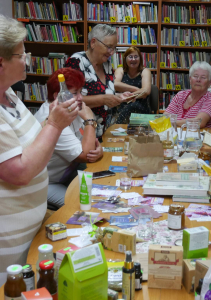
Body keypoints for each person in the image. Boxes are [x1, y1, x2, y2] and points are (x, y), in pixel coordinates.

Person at [0, 15, 79, 286]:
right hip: (5, 247)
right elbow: (18, 172)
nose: (27, 59)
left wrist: (54, 117)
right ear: (0, 61)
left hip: (28, 235)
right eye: (22, 54)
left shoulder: (9, 95)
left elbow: (34, 140)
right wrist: (55, 125)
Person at [35, 68, 103, 210]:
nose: (80, 98)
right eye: (74, 93)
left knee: (102, 195)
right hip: (48, 183)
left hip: (70, 174)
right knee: (82, 206)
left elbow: (90, 144)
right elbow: (85, 155)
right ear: (58, 96)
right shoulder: (53, 118)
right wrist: (90, 119)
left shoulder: (69, 107)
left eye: (80, 92)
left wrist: (99, 150)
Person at [65, 24, 133, 138]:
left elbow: (104, 93)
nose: (111, 53)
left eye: (114, 48)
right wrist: (104, 100)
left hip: (104, 132)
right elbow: (68, 100)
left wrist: (119, 96)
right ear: (93, 43)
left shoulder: (106, 65)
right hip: (82, 134)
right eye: (109, 47)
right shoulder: (76, 62)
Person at [164, 61, 211, 128]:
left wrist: (174, 122)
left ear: (210, 82)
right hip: (177, 136)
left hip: (201, 137)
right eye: (195, 76)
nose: (198, 80)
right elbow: (165, 117)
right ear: (190, 79)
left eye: (203, 77)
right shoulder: (180, 95)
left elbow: (199, 122)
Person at [113, 46, 152, 123]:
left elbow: (146, 91)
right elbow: (115, 84)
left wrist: (127, 96)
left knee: (132, 105)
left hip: (140, 106)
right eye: (130, 57)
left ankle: (117, 124)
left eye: (136, 57)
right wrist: (137, 89)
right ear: (125, 59)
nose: (133, 59)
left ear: (140, 59)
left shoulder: (145, 71)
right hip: (121, 104)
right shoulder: (120, 70)